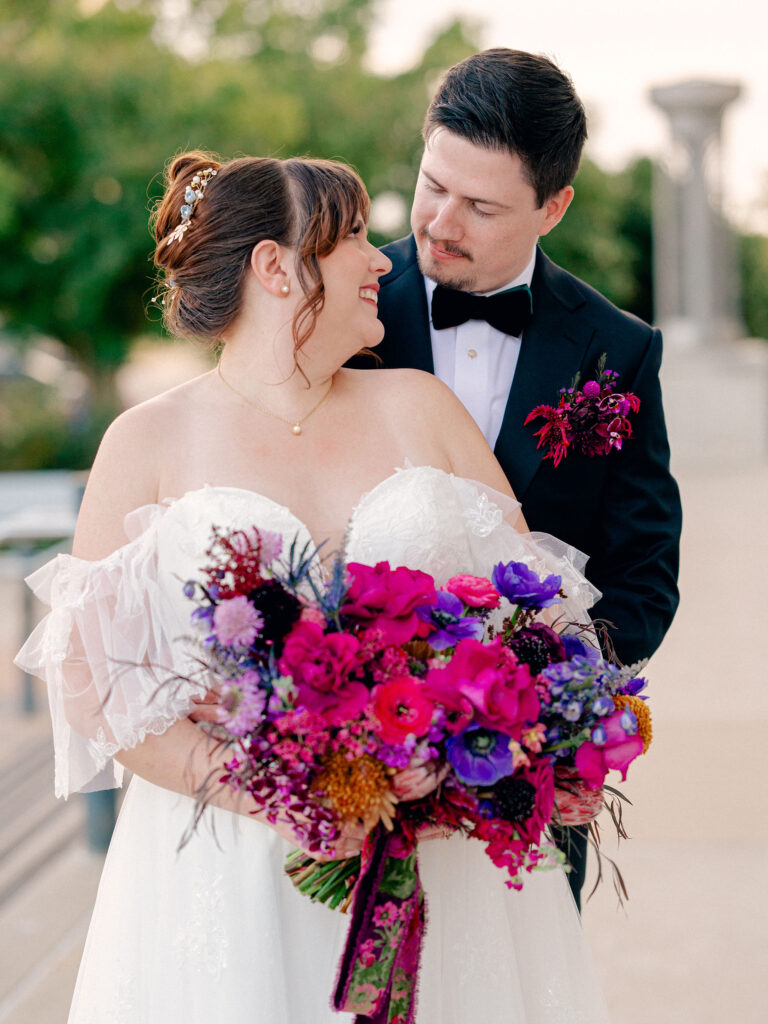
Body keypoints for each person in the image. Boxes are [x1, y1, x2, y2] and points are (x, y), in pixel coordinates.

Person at [17, 151, 610, 1022]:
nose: (384, 260)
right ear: (275, 267)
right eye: (356, 238)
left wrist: (510, 756)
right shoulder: (145, 442)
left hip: (443, 860)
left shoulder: (422, 408)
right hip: (229, 868)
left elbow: (537, 623)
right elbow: (94, 686)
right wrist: (273, 790)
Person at [362, 48, 683, 907]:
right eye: (433, 183)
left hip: (525, 782)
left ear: (555, 207)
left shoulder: (618, 350)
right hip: (357, 769)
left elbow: (645, 565)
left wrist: (551, 702)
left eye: (481, 206)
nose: (440, 222)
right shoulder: (345, 306)